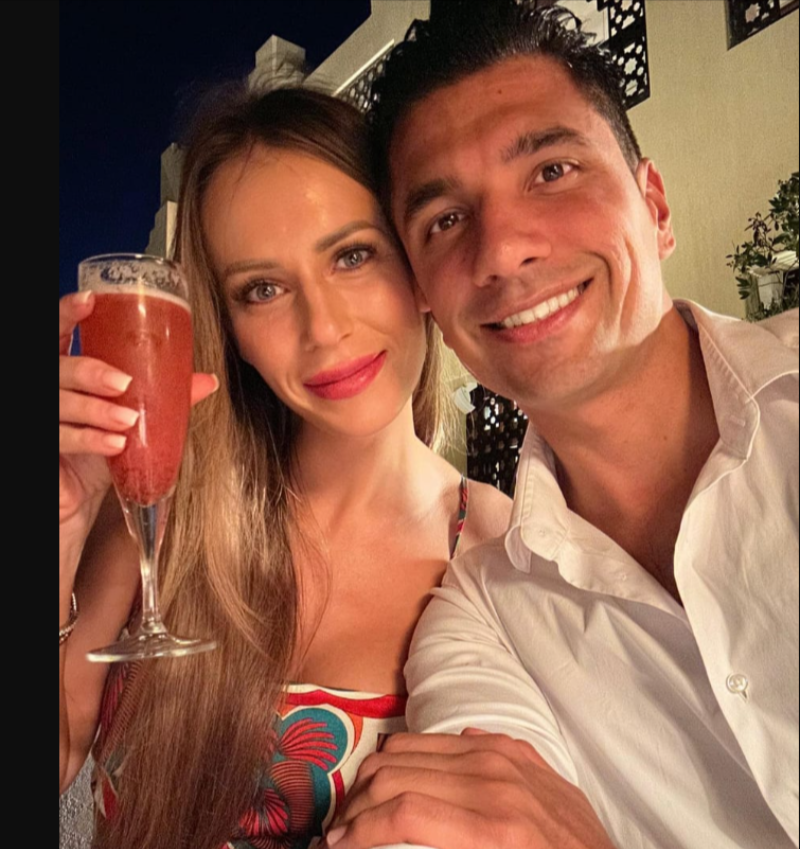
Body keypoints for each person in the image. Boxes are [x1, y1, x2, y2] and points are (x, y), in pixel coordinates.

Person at [323, 4, 799, 849]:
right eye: (445, 220)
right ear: (427, 298)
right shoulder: (481, 615)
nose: (502, 250)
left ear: (654, 205)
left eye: (551, 171)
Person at [58, 82, 513, 849]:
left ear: (419, 264)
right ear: (228, 328)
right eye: (262, 289)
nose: (323, 327)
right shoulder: (163, 512)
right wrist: (61, 529)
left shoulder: (502, 547)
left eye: (352, 255)